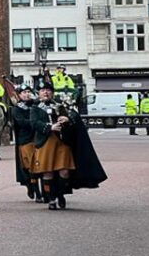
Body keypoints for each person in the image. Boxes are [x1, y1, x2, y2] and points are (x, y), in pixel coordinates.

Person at [31, 80, 107, 210]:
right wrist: (49, 127)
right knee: (48, 173)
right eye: (43, 90)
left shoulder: (60, 105)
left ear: (52, 93)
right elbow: (34, 123)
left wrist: (67, 119)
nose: (46, 93)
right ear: (39, 93)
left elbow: (73, 115)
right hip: (45, 143)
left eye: (48, 90)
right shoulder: (35, 108)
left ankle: (60, 194)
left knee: (65, 171)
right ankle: (51, 199)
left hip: (61, 143)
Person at [11, 83, 42, 202]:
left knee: (41, 165)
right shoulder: (17, 109)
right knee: (31, 166)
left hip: (38, 138)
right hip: (26, 140)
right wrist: (35, 122)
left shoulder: (37, 105)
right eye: (24, 92)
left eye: (28, 92)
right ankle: (35, 190)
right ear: (19, 95)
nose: (27, 94)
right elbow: (21, 122)